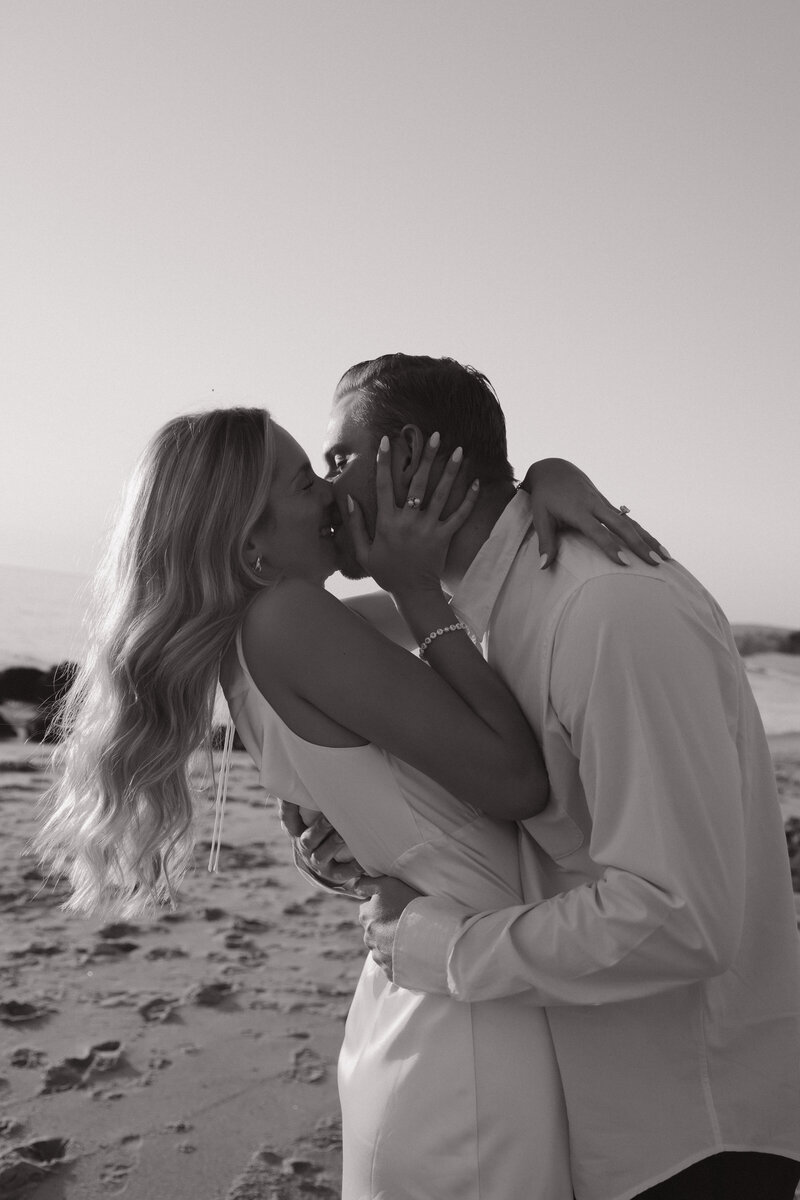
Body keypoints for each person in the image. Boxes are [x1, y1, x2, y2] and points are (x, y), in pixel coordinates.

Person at [35, 401, 664, 1199]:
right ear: (253, 547)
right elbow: (517, 779)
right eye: (306, 483)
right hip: (468, 1035)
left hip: (446, 996)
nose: (335, 495)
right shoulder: (290, 621)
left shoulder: (263, 634)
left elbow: (459, 605)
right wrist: (417, 584)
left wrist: (540, 479)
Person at [285, 353, 800, 1200]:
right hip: (585, 1111)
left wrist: (440, 947)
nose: (325, 486)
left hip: (690, 1134)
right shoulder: (479, 618)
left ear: (410, 456)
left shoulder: (608, 613)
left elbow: (681, 918)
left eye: (340, 458)